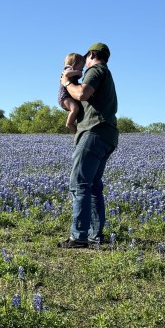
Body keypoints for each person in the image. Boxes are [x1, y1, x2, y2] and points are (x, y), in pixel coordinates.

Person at [58, 41, 118, 248]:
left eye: (86, 59)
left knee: (80, 184)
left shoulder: (96, 70)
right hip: (107, 135)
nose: (84, 65)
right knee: (93, 187)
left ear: (92, 55)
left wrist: (66, 83)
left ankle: (79, 237)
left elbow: (82, 93)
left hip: (93, 132)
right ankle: (94, 236)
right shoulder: (106, 75)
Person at [58, 52, 87, 129]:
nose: (82, 70)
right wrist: (78, 72)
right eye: (81, 67)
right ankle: (69, 123)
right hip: (64, 96)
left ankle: (75, 129)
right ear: (74, 64)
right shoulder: (68, 68)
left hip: (68, 96)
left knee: (78, 110)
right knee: (75, 108)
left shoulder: (72, 71)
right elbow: (66, 74)